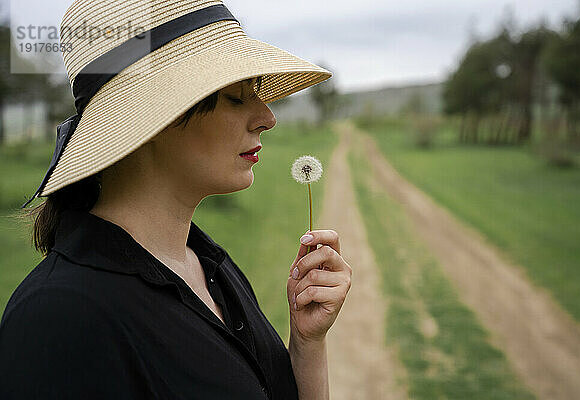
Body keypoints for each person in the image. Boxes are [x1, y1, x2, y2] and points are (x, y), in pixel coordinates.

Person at [0, 1, 352, 399]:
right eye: (235, 97)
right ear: (153, 118)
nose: (267, 117)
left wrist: (307, 345)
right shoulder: (60, 319)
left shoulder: (208, 265)